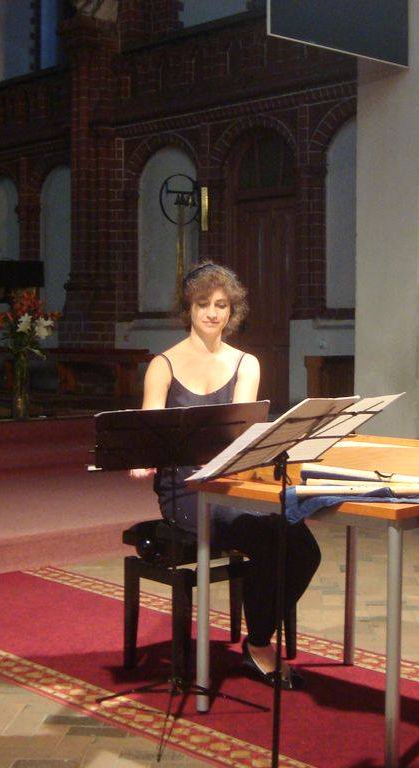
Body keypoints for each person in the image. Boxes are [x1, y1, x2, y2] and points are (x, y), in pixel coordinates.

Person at [131, 261, 320, 689]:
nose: (213, 313)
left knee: (304, 548)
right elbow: (149, 428)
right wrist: (143, 455)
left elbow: (240, 437)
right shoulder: (163, 364)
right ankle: (259, 646)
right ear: (188, 308)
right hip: (184, 490)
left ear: (232, 310)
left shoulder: (245, 364)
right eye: (203, 305)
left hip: (231, 483)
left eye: (221, 305)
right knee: (266, 538)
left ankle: (257, 638)